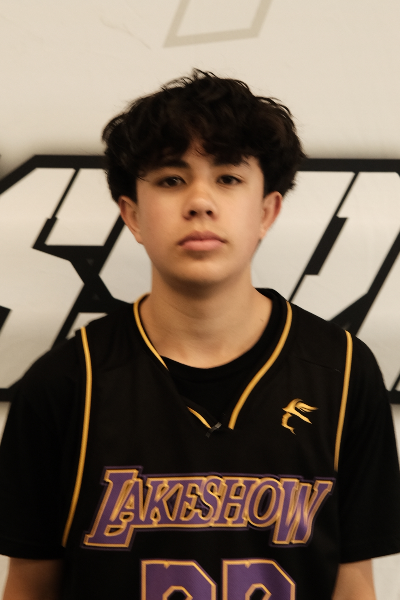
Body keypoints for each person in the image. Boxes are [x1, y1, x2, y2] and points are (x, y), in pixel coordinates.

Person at [0, 69, 399, 600]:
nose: (200, 201)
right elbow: (29, 585)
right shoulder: (65, 384)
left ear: (267, 211)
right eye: (171, 179)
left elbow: (353, 584)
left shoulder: (343, 372)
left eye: (228, 178)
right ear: (132, 214)